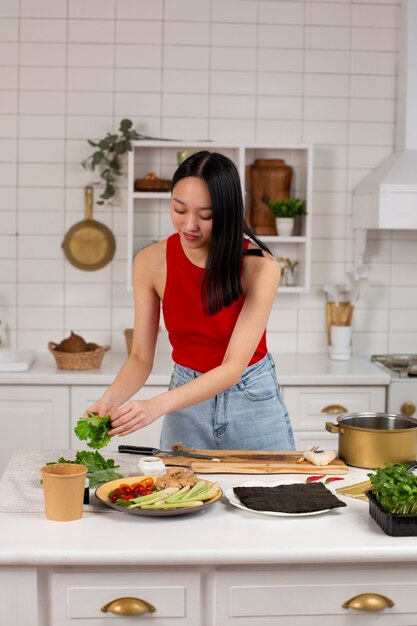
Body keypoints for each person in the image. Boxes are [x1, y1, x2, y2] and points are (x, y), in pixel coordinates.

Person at [87, 151, 295, 451]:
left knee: (273, 496)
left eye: (206, 215)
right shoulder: (150, 262)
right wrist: (107, 401)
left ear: (226, 211)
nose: (189, 225)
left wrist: (157, 405)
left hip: (251, 397)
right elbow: (140, 358)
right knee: (178, 494)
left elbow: (232, 367)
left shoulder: (260, 267)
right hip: (184, 399)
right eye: (179, 209)